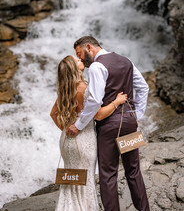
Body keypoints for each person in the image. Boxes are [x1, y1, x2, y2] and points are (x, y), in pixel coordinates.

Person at [67, 36, 150, 211]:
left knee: (108, 174)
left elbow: (95, 101)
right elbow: (143, 87)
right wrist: (136, 115)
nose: (80, 59)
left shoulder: (97, 66)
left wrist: (79, 125)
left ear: (89, 47)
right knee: (133, 171)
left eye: (80, 54)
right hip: (129, 122)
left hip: (109, 125)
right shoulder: (126, 61)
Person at [50, 55, 127, 211]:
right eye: (77, 60)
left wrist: (66, 129)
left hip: (66, 140)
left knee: (71, 181)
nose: (81, 60)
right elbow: (98, 114)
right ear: (74, 68)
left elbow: (53, 114)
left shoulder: (65, 89)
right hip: (84, 138)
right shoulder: (84, 89)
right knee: (86, 180)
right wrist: (116, 102)